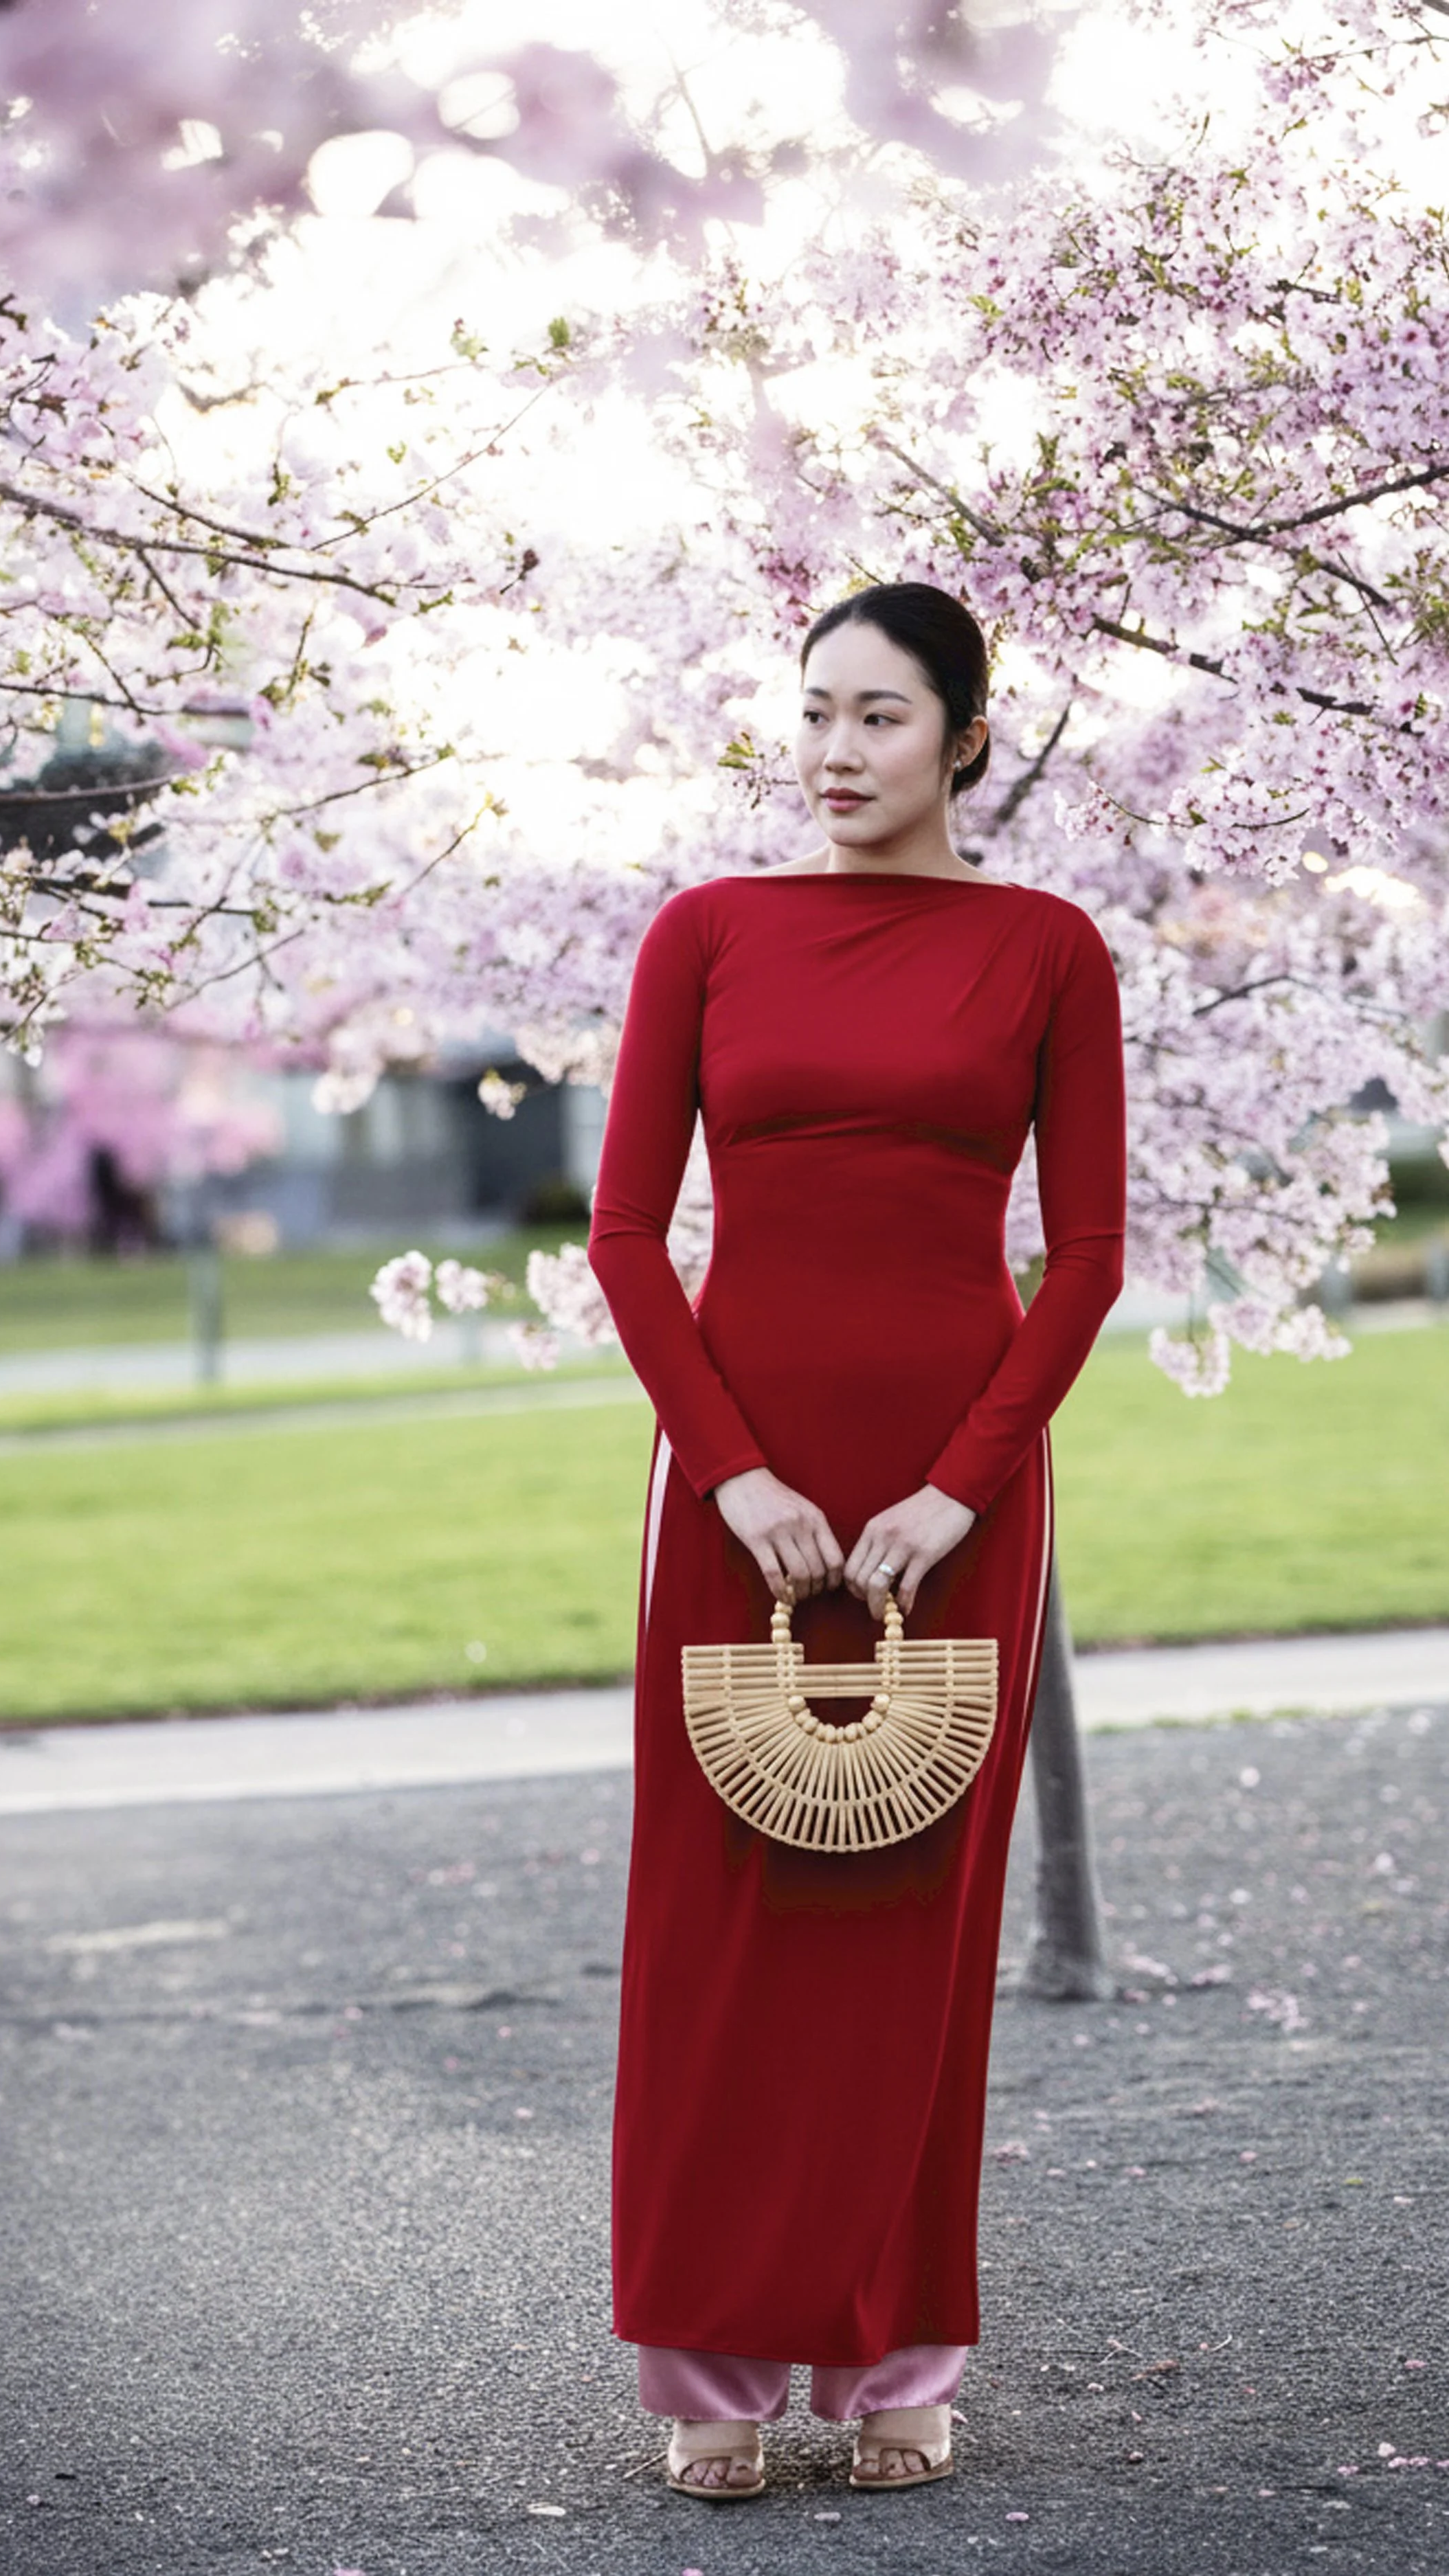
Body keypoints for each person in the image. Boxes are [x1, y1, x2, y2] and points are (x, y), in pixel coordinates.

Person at [585, 580, 1127, 2500]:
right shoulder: (706, 934)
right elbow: (627, 1237)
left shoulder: (1049, 950)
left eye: (880, 716)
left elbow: (1087, 1256)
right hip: (735, 1465)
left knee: (915, 1908)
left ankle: (899, 2349)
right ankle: (710, 2371)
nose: (832, 750)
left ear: (967, 736)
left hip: (950, 1479)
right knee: (719, 1906)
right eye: (813, 711)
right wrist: (731, 1474)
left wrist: (954, 1487)